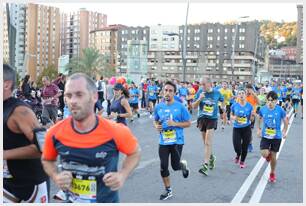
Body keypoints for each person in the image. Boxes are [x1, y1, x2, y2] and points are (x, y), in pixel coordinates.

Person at [41, 73, 141, 203]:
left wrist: (122, 175)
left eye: (79, 95)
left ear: (94, 96)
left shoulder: (115, 130)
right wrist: (56, 176)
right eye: (68, 96)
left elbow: (135, 153)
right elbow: (47, 160)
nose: (73, 101)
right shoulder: (55, 132)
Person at [3, 64, 49, 203]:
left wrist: (4, 154)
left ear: (6, 84)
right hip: (8, 181)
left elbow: (44, 147)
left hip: (32, 183)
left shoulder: (20, 111)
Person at [153, 81, 191, 200]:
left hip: (177, 141)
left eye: (170, 91)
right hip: (163, 141)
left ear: (174, 93)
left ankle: (183, 166)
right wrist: (156, 126)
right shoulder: (158, 106)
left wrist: (174, 123)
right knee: (163, 166)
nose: (167, 93)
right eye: (166, 90)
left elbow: (188, 123)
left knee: (175, 166)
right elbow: (156, 120)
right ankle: (168, 190)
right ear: (163, 92)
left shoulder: (180, 107)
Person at [192, 77, 224, 176]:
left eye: (203, 84)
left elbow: (223, 100)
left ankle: (205, 166)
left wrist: (222, 111)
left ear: (210, 84)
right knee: (205, 142)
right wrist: (199, 99)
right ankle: (211, 157)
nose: (201, 86)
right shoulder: (200, 92)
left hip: (212, 119)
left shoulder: (217, 93)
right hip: (202, 118)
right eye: (200, 84)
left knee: (207, 142)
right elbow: (193, 106)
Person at [257, 91, 288, 183]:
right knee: (264, 153)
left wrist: (284, 131)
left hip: (276, 136)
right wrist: (258, 129)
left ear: (276, 101)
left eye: (272, 101)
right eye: (268, 100)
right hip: (265, 135)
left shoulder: (280, 110)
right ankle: (268, 155)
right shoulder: (263, 109)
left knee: (274, 156)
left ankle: (272, 173)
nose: (270, 103)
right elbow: (259, 118)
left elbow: (285, 120)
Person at [230, 88, 255, 168]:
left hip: (246, 128)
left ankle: (242, 161)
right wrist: (233, 118)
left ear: (245, 95)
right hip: (237, 128)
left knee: (245, 146)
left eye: (243, 93)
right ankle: (238, 154)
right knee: (237, 146)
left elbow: (251, 119)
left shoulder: (250, 106)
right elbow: (231, 115)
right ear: (237, 95)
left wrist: (252, 116)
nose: (241, 95)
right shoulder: (234, 105)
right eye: (239, 93)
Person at [245, 83, 259, 152]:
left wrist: (254, 94)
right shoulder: (243, 96)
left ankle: (249, 144)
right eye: (247, 90)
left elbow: (259, 103)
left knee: (249, 131)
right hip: (243, 116)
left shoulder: (254, 96)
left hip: (251, 116)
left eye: (249, 90)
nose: (248, 91)